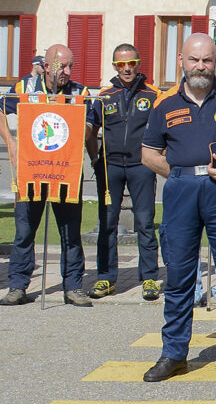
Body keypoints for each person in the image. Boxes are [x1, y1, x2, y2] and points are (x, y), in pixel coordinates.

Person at [140, 33, 216, 383]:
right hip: (181, 193)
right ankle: (173, 353)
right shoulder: (164, 104)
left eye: (207, 60)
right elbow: (148, 154)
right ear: (181, 61)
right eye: (194, 60)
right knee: (177, 277)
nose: (201, 67)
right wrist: (179, 174)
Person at [0, 45, 96, 307]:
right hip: (32, 172)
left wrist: (81, 135)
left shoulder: (80, 92)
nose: (66, 72)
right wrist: (11, 142)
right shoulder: (24, 88)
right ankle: (18, 286)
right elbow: (3, 108)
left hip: (66, 174)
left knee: (70, 234)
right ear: (46, 66)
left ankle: (73, 287)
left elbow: (92, 122)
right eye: (61, 66)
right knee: (24, 232)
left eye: (70, 66)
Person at [85, 44, 161, 301]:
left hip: (142, 166)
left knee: (145, 222)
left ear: (139, 64)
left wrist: (158, 159)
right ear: (114, 65)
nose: (127, 69)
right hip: (110, 167)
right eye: (121, 64)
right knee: (106, 223)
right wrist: (96, 159)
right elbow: (90, 132)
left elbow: (164, 133)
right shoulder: (104, 96)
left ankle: (150, 277)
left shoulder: (153, 95)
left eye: (131, 63)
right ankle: (106, 278)